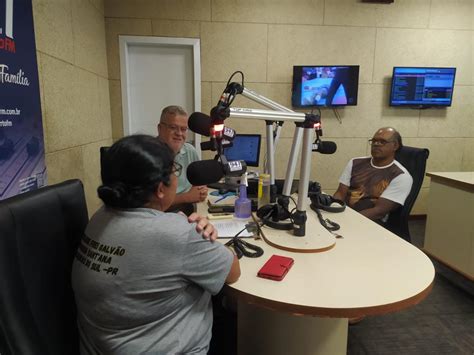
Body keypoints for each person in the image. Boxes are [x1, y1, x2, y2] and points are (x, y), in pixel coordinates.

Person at [71, 134, 240, 354]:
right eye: (175, 170)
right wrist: (206, 236)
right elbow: (232, 272)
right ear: (161, 189)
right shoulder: (178, 233)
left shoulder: (99, 217)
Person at [333, 127, 413, 223]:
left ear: (395, 146)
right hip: (344, 215)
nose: (376, 144)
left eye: (382, 142)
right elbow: (340, 193)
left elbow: (378, 211)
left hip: (371, 223)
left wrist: (347, 220)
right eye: (374, 141)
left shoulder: (401, 176)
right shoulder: (355, 163)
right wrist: (333, 210)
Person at [157, 105, 208, 208]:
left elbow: (199, 184)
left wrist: (201, 191)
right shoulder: (147, 155)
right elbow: (149, 205)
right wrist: (186, 197)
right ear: (160, 128)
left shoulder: (190, 150)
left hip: (189, 211)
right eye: (173, 127)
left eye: (184, 129)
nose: (179, 133)